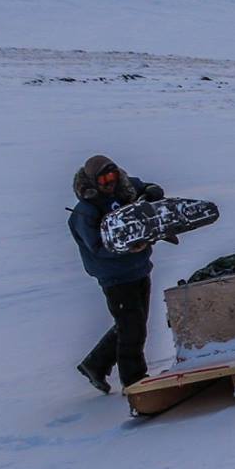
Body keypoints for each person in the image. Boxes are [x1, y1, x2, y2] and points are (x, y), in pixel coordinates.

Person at [69, 154, 165, 394]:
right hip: (115, 277)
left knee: (133, 323)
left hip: (140, 267)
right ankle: (135, 381)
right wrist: (127, 248)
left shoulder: (126, 186)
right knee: (132, 328)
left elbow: (148, 187)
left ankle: (95, 364)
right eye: (103, 179)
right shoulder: (86, 212)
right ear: (93, 181)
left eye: (112, 176)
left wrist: (153, 191)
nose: (109, 182)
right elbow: (97, 248)